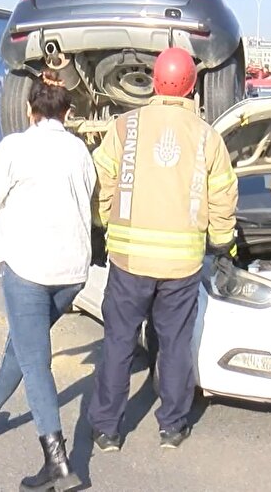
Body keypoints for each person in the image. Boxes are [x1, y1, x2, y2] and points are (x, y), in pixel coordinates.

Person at [0, 70, 96, 492]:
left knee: (34, 360)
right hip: (73, 274)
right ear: (69, 112)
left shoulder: (16, 147)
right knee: (23, 347)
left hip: (30, 270)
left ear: (30, 111)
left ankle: (56, 462)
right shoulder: (81, 151)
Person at [88, 47, 238, 452]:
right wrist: (223, 241)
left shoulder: (124, 127)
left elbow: (100, 181)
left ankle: (107, 429)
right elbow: (223, 195)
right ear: (192, 86)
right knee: (174, 345)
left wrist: (104, 224)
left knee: (118, 342)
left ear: (154, 81)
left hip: (129, 260)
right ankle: (172, 426)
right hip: (182, 264)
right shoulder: (206, 136)